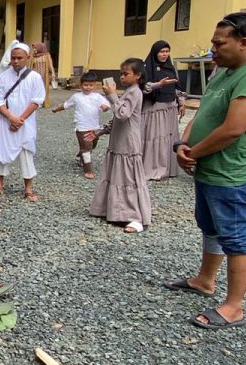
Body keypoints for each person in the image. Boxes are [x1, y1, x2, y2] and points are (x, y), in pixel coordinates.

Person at [167, 13, 246, 330]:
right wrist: (182, 145)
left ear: (244, 42)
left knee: (235, 237)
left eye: (219, 42)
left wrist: (193, 153)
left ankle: (234, 306)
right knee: (211, 227)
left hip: (234, 174)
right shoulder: (225, 72)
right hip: (209, 169)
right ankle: (205, 280)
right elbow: (203, 111)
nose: (212, 48)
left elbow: (234, 129)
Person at [88, 60, 153, 232]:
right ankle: (114, 210)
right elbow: (117, 119)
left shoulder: (135, 93)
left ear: (137, 75)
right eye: (121, 73)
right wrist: (100, 132)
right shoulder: (128, 92)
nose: (122, 77)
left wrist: (112, 95)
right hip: (118, 141)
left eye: (126, 74)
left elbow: (123, 114)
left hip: (128, 143)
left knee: (128, 179)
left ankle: (136, 217)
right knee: (116, 176)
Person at [0, 43, 46, 201]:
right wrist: (11, 118)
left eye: (19, 58)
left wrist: (20, 120)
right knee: (1, 152)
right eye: (13, 58)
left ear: (28, 58)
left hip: (25, 123)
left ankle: (28, 189)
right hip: (4, 122)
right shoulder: (3, 77)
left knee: (26, 153)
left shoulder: (35, 78)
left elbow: (37, 101)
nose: (16, 61)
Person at [52, 71, 111, 179]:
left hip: (94, 127)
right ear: (81, 84)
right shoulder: (77, 96)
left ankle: (81, 156)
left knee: (92, 145)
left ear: (95, 85)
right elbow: (66, 105)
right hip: (82, 127)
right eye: (85, 85)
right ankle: (88, 170)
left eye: (91, 85)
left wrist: (105, 107)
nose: (88, 87)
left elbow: (106, 104)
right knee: (87, 148)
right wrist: (56, 109)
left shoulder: (97, 96)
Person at [141, 41, 185, 181]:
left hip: (170, 107)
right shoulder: (147, 67)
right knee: (155, 138)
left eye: (167, 51)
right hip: (155, 108)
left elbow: (177, 86)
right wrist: (158, 85)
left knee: (167, 138)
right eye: (161, 51)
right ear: (155, 52)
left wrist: (182, 103)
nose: (165, 54)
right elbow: (142, 87)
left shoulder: (170, 68)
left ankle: (167, 168)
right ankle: (153, 169)